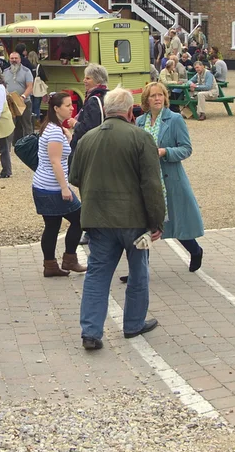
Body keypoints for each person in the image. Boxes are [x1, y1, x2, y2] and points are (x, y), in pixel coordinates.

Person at [68, 87, 165, 350]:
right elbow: (152, 184)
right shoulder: (140, 137)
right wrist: (157, 221)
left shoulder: (87, 138)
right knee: (138, 273)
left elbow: (74, 176)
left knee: (97, 276)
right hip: (133, 220)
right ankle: (133, 324)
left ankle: (91, 332)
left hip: (97, 219)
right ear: (129, 112)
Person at [138, 82, 206, 271]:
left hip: (170, 178)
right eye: (153, 96)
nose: (157, 98)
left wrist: (165, 152)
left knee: (177, 222)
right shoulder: (140, 122)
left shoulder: (174, 119)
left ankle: (195, 251)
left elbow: (186, 148)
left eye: (160, 95)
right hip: (147, 180)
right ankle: (140, 270)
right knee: (144, 226)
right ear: (146, 100)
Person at [34, 92, 86, 277]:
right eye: (67, 105)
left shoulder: (51, 127)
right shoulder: (55, 131)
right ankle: (69, 258)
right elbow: (55, 161)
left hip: (44, 185)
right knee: (80, 219)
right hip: (52, 187)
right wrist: (65, 188)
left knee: (52, 225)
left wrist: (69, 138)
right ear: (56, 109)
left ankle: (51, 265)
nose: (72, 108)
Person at [71, 65, 107, 149]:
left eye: (88, 78)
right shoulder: (107, 96)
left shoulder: (93, 100)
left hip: (89, 145)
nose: (84, 81)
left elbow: (89, 127)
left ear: (98, 81)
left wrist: (75, 124)